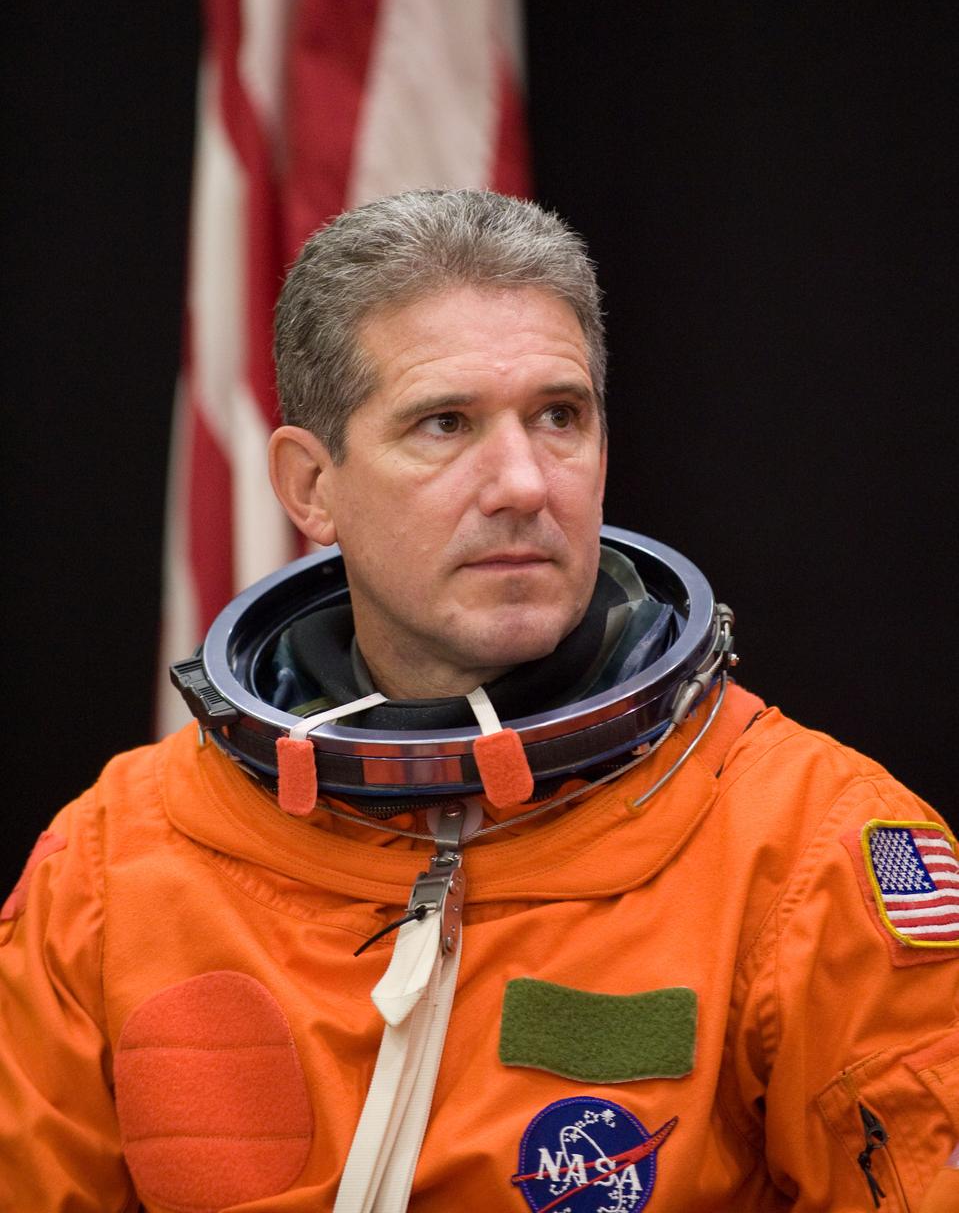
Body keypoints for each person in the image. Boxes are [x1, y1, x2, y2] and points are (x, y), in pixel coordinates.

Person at [1, 190, 957, 1213]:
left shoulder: (808, 853)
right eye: (444, 423)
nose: (522, 483)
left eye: (558, 416)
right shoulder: (114, 868)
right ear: (311, 485)